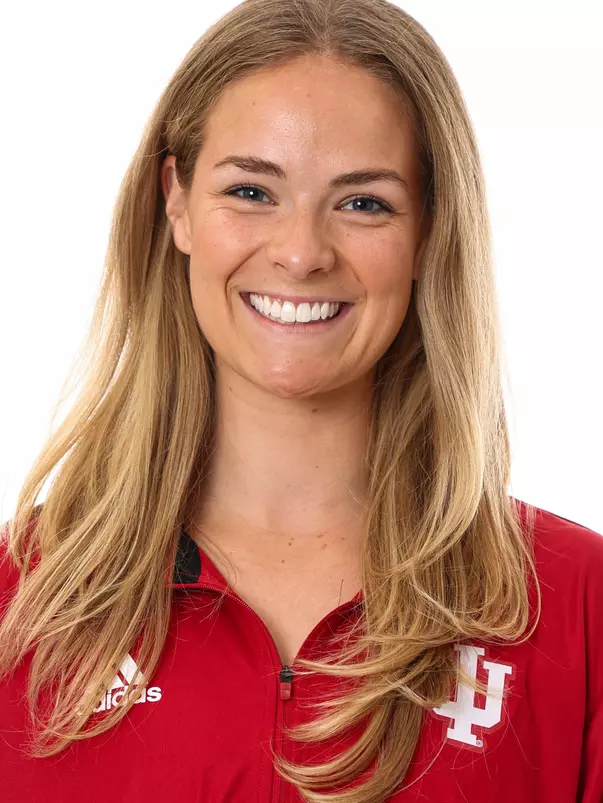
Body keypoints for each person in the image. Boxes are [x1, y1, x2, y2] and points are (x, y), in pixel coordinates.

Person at [0, 0, 601, 800]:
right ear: (175, 200)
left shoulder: (573, 606)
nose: (299, 252)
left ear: (428, 232)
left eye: (363, 203)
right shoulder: (21, 601)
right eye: (251, 191)